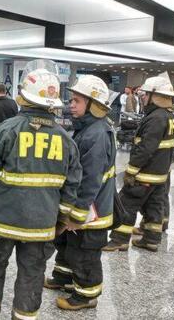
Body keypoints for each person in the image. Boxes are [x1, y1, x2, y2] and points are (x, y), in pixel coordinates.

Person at [0, 69, 82, 320]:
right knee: (32, 273)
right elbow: (71, 185)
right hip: (41, 226)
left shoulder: (7, 130)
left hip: (1, 221)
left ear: (24, 97)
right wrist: (61, 220)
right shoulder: (66, 141)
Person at [44, 75, 115, 310]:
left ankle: (86, 296)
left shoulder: (95, 134)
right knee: (67, 244)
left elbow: (89, 180)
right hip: (83, 206)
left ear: (94, 105)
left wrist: (77, 214)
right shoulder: (90, 128)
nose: (70, 104)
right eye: (71, 99)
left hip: (90, 211)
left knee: (85, 253)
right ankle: (63, 278)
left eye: (76, 101)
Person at [103, 76, 174, 253]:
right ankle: (151, 239)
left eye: (145, 94)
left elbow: (145, 148)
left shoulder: (155, 118)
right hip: (160, 176)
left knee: (127, 203)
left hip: (144, 174)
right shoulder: (169, 116)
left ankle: (119, 240)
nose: (142, 97)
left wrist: (131, 170)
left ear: (156, 95)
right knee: (154, 207)